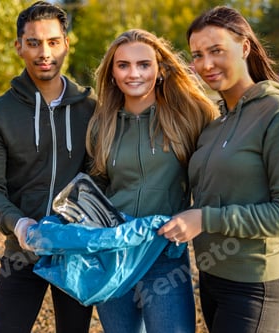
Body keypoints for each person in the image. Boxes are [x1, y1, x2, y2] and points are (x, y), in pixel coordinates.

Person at [158, 6, 279, 333]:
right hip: (212, 278)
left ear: (244, 47)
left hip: (255, 285)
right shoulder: (215, 122)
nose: (206, 64)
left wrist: (205, 218)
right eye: (198, 55)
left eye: (216, 50)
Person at [0, 2, 96, 332]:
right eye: (34, 43)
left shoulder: (91, 107)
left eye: (53, 42)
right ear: (19, 46)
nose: (45, 52)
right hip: (22, 250)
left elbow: (100, 176)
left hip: (75, 250)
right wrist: (21, 226)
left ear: (66, 44)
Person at [86, 29, 218, 333]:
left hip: (165, 256)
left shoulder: (192, 115)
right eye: (123, 65)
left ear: (159, 70)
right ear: (112, 73)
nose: (134, 74)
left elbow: (215, 175)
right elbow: (97, 188)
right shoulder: (101, 125)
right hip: (114, 256)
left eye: (144, 64)